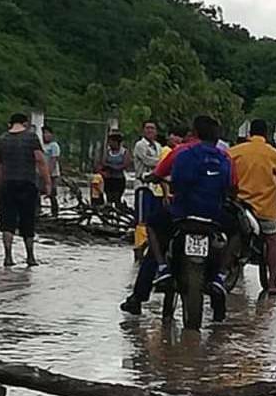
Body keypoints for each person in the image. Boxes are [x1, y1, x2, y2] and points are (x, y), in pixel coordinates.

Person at [148, 116, 234, 293]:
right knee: (238, 231)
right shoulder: (225, 157)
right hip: (214, 216)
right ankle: (221, 274)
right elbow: (231, 187)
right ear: (217, 137)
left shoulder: (182, 153)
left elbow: (175, 182)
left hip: (182, 213)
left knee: (151, 224)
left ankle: (163, 267)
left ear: (194, 133)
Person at [229, 119, 276, 296]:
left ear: (249, 134)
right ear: (267, 134)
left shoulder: (233, 152)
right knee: (272, 241)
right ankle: (272, 284)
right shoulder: (273, 154)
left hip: (236, 205)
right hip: (263, 208)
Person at [0, 113, 51, 267]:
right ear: (25, 123)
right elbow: (40, 161)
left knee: (7, 221)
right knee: (28, 219)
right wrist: (47, 182)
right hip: (27, 183)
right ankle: (30, 256)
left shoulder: (2, 140)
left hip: (7, 184)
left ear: (9, 124)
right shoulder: (31, 138)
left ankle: (8, 256)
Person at [132, 121, 162, 260]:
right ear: (143, 130)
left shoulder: (158, 146)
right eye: (148, 128)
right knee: (141, 219)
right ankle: (139, 247)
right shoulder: (140, 145)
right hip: (143, 185)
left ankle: (150, 246)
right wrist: (163, 162)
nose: (150, 130)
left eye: (153, 128)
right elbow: (148, 161)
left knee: (153, 219)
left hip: (156, 187)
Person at [100, 132, 131, 207]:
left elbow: (125, 164)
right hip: (108, 179)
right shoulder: (107, 152)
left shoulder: (124, 152)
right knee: (109, 199)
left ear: (117, 142)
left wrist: (112, 167)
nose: (110, 144)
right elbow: (103, 162)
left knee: (117, 199)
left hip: (119, 179)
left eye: (111, 142)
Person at [42, 126, 62, 218]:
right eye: (44, 133)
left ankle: (55, 212)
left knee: (52, 193)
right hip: (42, 172)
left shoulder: (54, 146)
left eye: (47, 133)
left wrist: (48, 173)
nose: (45, 135)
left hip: (52, 174)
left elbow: (54, 160)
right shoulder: (42, 145)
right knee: (38, 192)